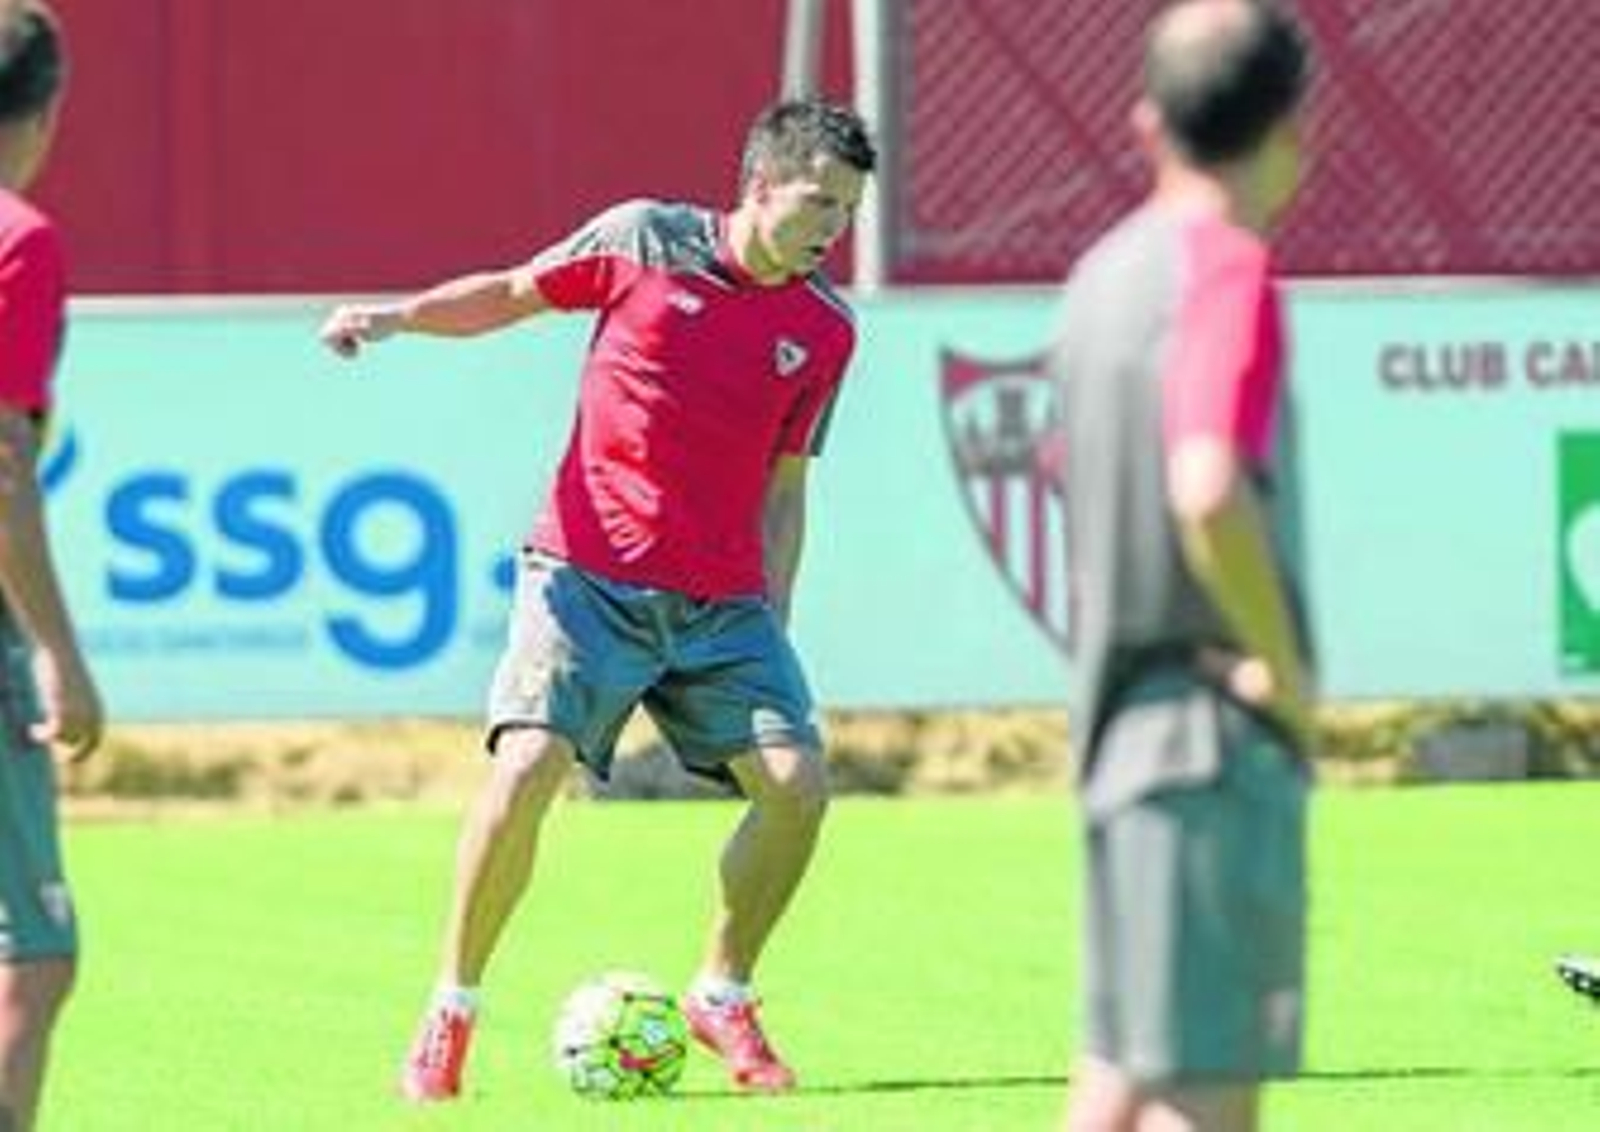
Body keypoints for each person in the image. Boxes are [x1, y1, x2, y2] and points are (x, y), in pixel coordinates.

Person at [319, 96, 875, 1103]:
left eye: (847, 210)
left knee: (798, 789)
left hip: (723, 605)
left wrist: (772, 620)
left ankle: (723, 990)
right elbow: (510, 293)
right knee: (527, 765)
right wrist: (396, 317)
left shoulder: (825, 328)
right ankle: (450, 1010)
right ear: (758, 185)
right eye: (820, 203)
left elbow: (788, 488)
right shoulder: (643, 240)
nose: (834, 228)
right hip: (583, 576)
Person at [1050, 3, 1314, 1130]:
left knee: (1117, 1075)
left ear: (1145, 122)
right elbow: (1205, 485)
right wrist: (1283, 667)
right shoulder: (1224, 273)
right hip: (1207, 732)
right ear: (1293, 127)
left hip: (1115, 722)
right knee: (1204, 1096)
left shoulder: (1100, 276)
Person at [0, 4, 105, 1130]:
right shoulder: (18, 237)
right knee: (33, 955)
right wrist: (59, 654)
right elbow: (3, 461)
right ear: (48, 106)